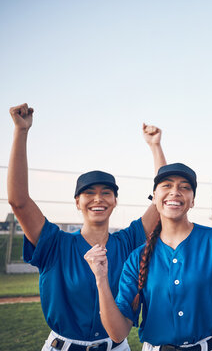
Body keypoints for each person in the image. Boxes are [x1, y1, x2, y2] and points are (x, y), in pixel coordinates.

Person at [7, 103, 163, 351]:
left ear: (115, 201)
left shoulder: (127, 241)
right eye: (88, 193)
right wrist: (21, 131)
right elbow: (19, 201)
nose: (98, 199)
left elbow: (161, 202)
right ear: (77, 202)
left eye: (106, 193)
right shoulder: (55, 244)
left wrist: (155, 147)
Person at [85, 162, 212, 351]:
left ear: (193, 200)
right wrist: (101, 279)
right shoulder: (137, 257)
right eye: (167, 185)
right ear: (155, 198)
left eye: (185, 187)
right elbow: (118, 332)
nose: (175, 192)